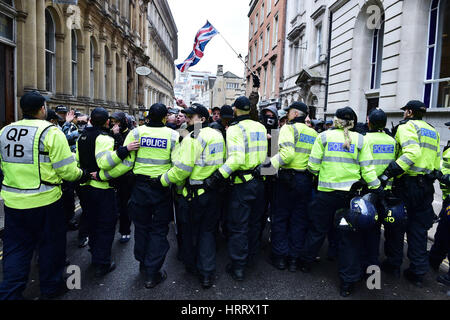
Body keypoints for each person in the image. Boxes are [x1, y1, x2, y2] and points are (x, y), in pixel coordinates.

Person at [0, 91, 91, 300]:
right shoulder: (51, 132)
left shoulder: (5, 131)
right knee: (50, 246)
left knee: (16, 249)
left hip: (13, 203)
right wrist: (82, 175)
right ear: (42, 108)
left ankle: (10, 293)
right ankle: (51, 288)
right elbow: (67, 170)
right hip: (45, 201)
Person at [301, 106, 382, 297]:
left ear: (336, 120)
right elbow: (368, 171)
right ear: (353, 122)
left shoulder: (323, 137)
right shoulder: (361, 140)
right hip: (349, 199)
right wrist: (378, 188)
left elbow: (312, 166)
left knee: (317, 230)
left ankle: (305, 263)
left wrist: (323, 174)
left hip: (325, 194)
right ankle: (347, 283)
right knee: (350, 239)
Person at [110, 103, 180, 289]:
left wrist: (105, 174)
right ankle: (152, 272)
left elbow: (127, 162)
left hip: (139, 187)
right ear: (165, 117)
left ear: (148, 116)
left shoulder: (136, 133)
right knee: (158, 229)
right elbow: (176, 164)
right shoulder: (173, 135)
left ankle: (143, 263)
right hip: (160, 187)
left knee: (141, 227)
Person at [160, 104, 226, 289]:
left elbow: (182, 170)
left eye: (191, 116)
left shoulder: (193, 137)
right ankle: (207, 273)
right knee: (208, 233)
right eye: (187, 115)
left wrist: (163, 180)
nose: (187, 118)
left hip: (193, 195)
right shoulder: (218, 135)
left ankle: (191, 266)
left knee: (190, 232)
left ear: (202, 119)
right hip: (212, 193)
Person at [204, 96, 268, 281]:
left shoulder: (234, 129)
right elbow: (267, 156)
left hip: (242, 184)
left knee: (238, 226)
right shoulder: (261, 127)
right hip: (259, 182)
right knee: (254, 224)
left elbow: (237, 159)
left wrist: (217, 176)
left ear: (236, 110)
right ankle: (251, 259)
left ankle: (238, 267)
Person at [378, 100, 440, 287]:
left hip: (406, 185)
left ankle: (394, 264)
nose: (404, 113)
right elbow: (436, 161)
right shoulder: (433, 130)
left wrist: (390, 171)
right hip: (426, 186)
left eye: (405, 110)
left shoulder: (407, 126)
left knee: (396, 225)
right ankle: (418, 272)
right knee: (419, 229)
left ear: (410, 112)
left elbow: (411, 153)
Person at [76, 107, 140, 278]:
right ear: (107, 122)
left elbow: (77, 160)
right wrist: (123, 150)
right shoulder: (103, 138)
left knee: (92, 222)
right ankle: (102, 263)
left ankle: (95, 255)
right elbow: (105, 162)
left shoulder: (81, 136)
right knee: (105, 226)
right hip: (101, 189)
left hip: (85, 187)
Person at [268, 102, 318, 272]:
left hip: (287, 179)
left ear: (296, 114)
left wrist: (266, 167)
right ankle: (294, 259)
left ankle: (280, 257)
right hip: (304, 179)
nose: (287, 115)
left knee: (281, 218)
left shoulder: (288, 129)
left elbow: (287, 155)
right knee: (299, 220)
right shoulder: (313, 133)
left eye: (289, 112)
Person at [429, 121, 450, 288]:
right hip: (448, 199)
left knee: (447, 233)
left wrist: (443, 177)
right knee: (443, 232)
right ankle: (434, 260)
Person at [109, 112, 134, 243]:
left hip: (125, 176)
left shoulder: (130, 133)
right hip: (111, 173)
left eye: (117, 122)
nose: (114, 125)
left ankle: (125, 230)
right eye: (112, 122)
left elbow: (126, 151)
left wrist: (117, 135)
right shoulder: (108, 133)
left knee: (125, 205)